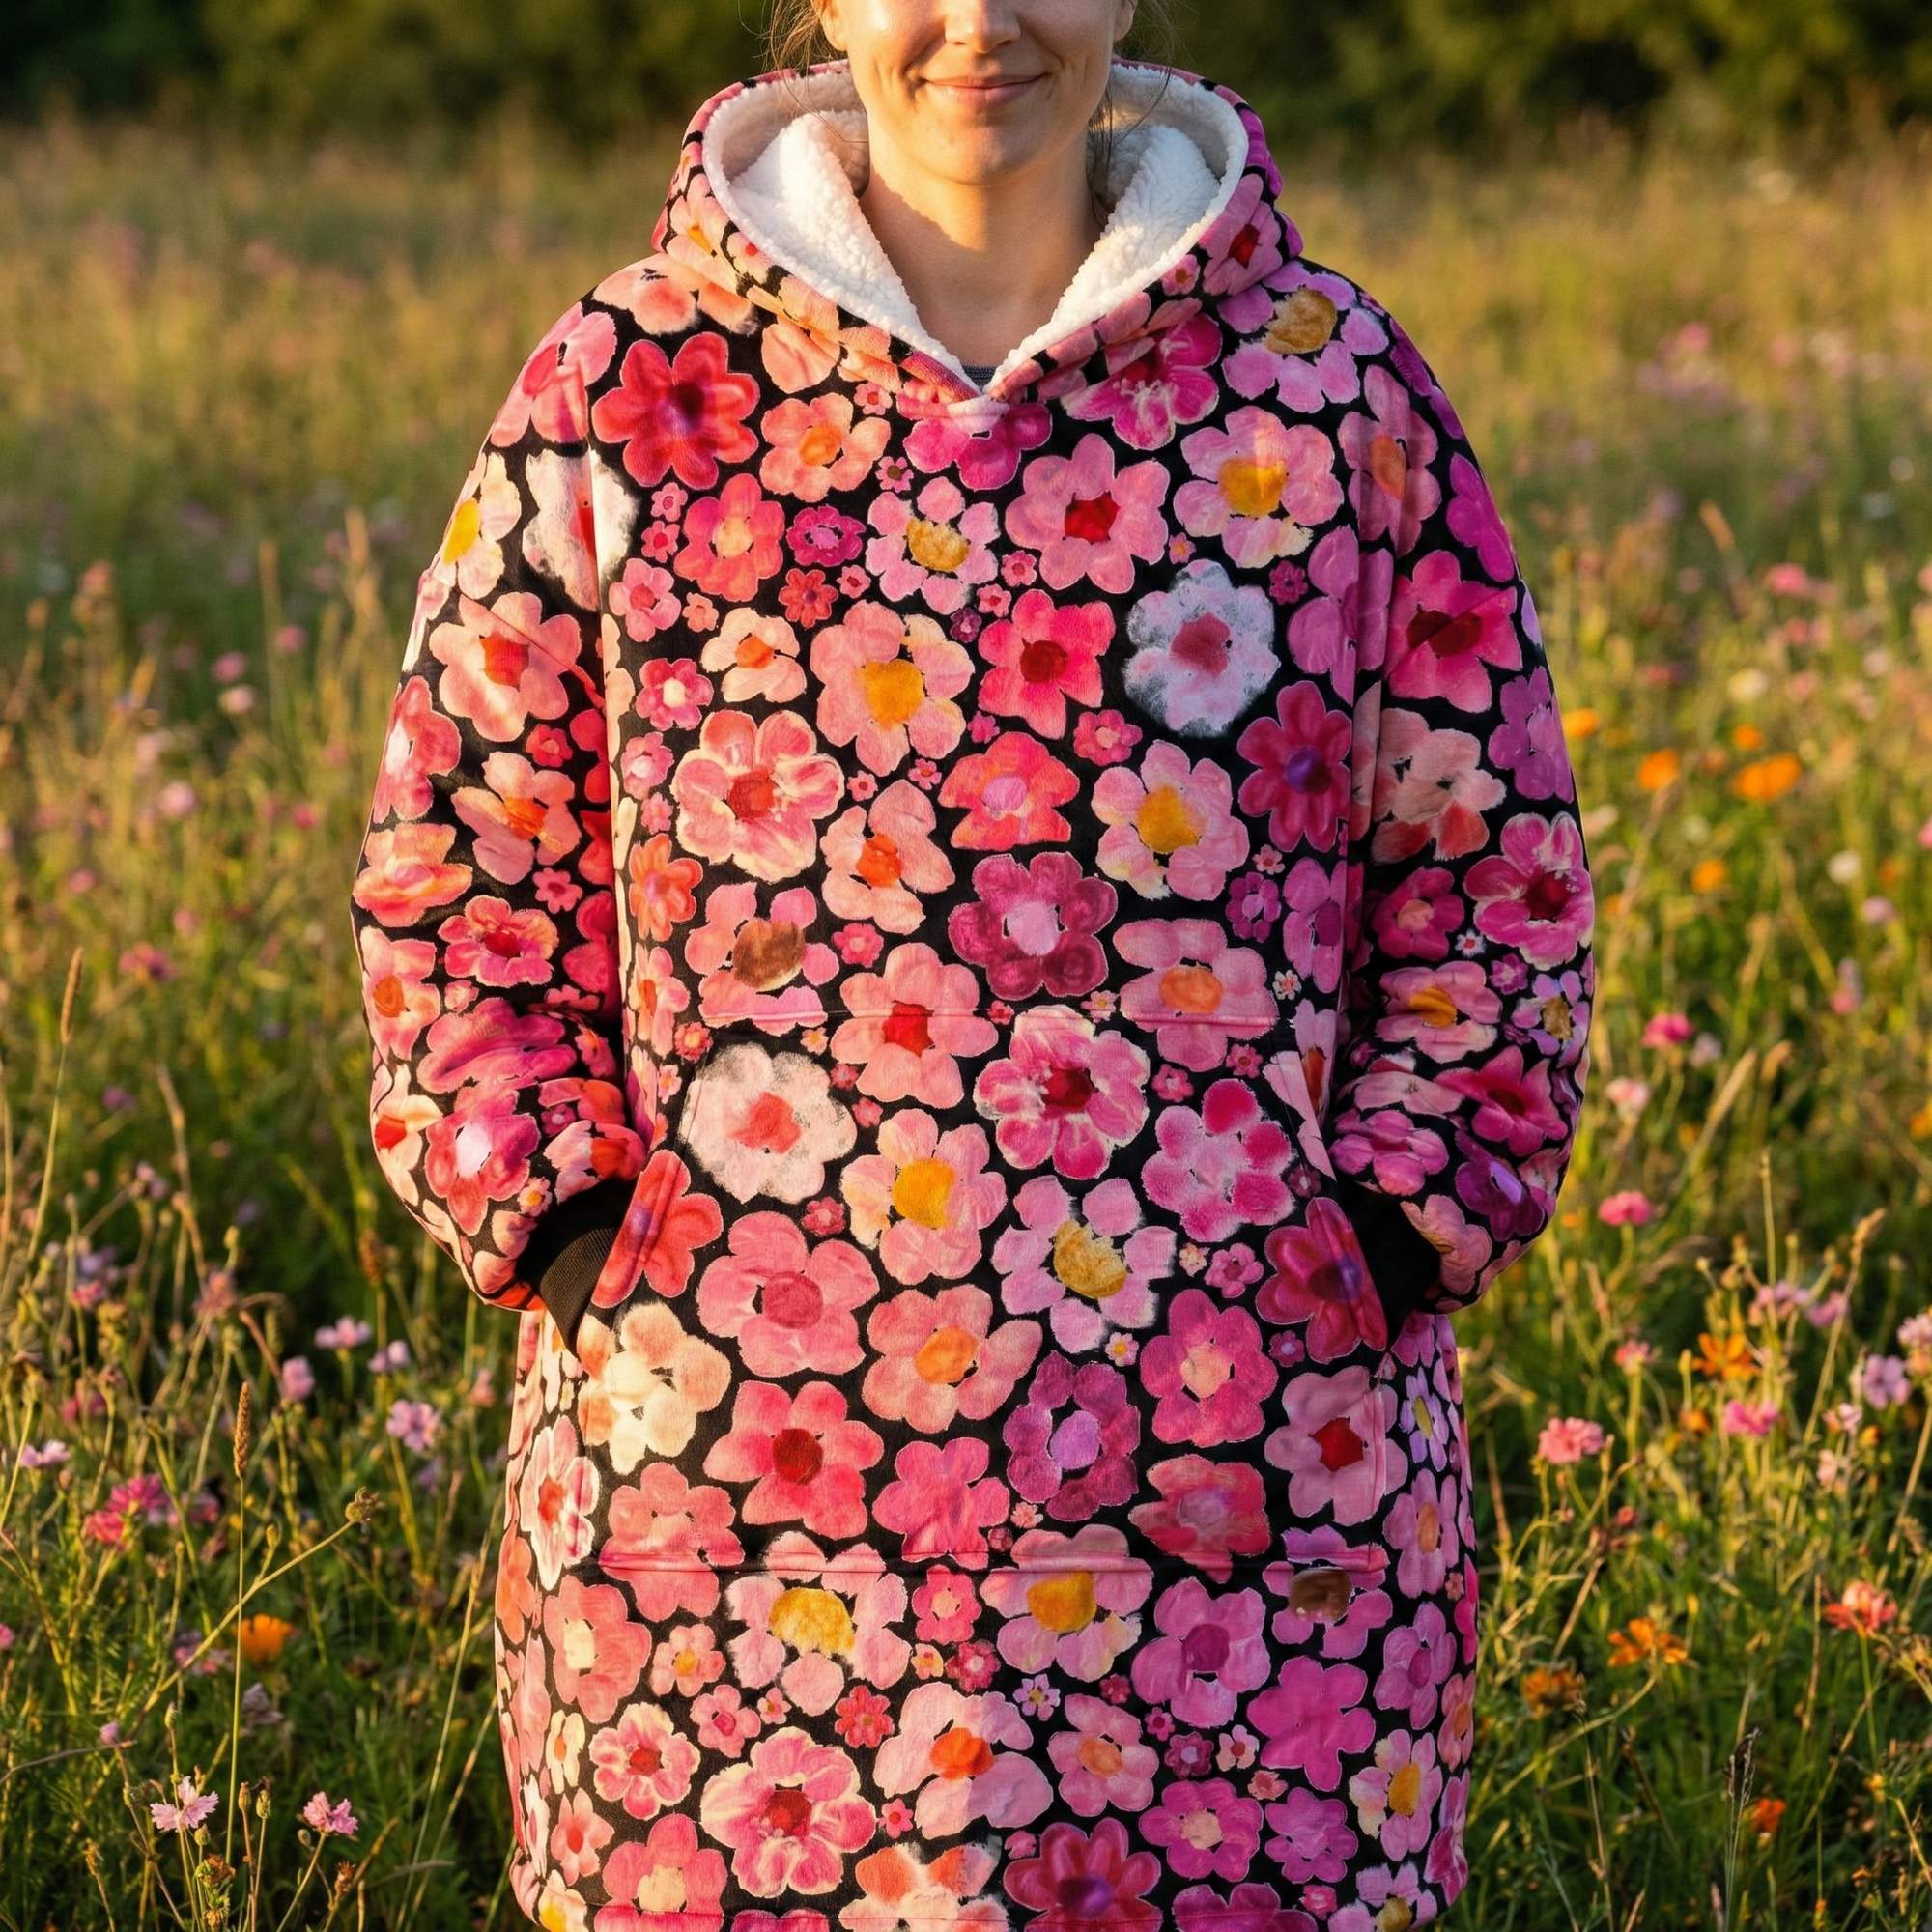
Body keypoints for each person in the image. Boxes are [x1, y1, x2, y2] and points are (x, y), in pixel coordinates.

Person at [348, 0, 1597, 1923]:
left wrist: (1396, 1228)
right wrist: (579, 1232)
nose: (980, 19)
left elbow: (1486, 863)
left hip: (1256, 1503)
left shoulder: (1328, 393)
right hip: (730, 1515)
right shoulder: (626, 384)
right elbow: (463, 863)